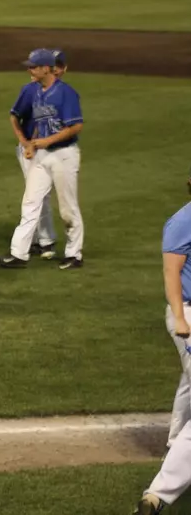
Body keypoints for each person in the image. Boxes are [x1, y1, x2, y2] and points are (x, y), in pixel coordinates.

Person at [131, 171, 191, 515]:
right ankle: (157, 495)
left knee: (189, 382)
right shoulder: (183, 221)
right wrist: (180, 318)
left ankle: (174, 444)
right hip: (188, 315)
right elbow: (171, 273)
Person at [0, 49, 84, 270]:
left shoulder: (65, 93)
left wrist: (47, 141)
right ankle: (18, 253)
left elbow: (76, 126)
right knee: (30, 203)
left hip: (64, 155)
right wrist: (31, 144)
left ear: (46, 68)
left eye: (33, 66)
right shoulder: (35, 91)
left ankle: (74, 254)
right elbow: (38, 122)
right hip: (42, 156)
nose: (29, 70)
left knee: (67, 207)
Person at [9, 51, 61, 260]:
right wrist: (25, 142)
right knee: (38, 196)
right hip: (31, 151)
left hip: (52, 149)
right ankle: (44, 240)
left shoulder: (62, 93)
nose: (29, 70)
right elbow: (14, 116)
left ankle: (43, 240)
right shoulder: (29, 90)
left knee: (40, 196)